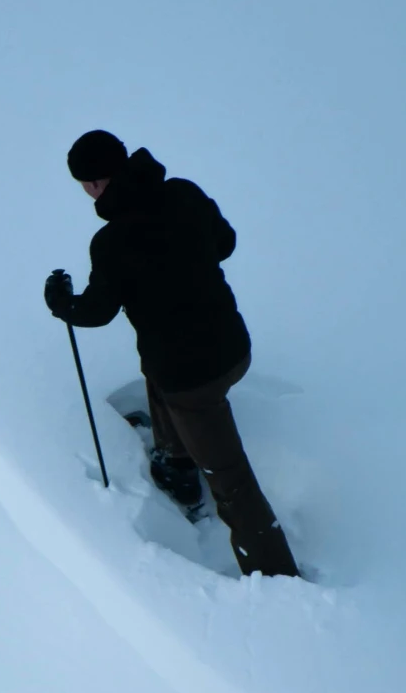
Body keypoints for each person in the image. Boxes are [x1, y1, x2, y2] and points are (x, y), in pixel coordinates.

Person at [44, 130, 299, 578]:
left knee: (232, 481)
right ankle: (177, 465)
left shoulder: (112, 242)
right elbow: (225, 243)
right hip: (233, 347)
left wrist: (62, 304)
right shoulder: (183, 193)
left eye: (86, 182)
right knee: (158, 374)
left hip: (194, 377)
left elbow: (98, 312)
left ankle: (279, 577)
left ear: (96, 183)